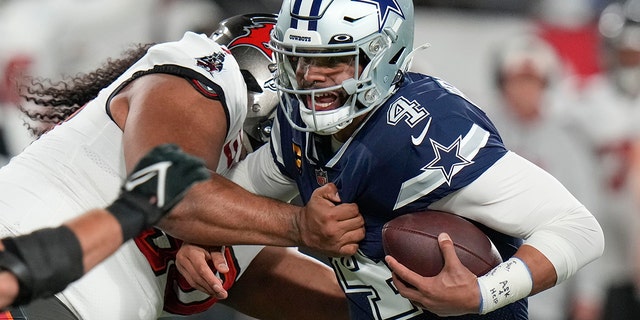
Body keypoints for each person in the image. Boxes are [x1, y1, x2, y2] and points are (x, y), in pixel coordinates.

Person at [177, 0, 605, 318]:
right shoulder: (297, 121)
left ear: (383, 56)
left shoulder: (425, 130)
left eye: (335, 60)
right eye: (300, 58)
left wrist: (482, 294)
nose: (310, 77)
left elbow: (579, 229)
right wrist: (205, 236)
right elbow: (242, 191)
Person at [0, 13, 362, 320]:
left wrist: (404, 304)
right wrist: (300, 224)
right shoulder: (205, 66)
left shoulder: (239, 188)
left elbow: (266, 279)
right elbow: (177, 194)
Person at [487, 34, 601, 320]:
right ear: (503, 83)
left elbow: (586, 217)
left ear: (545, 84)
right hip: (485, 282)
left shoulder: (568, 143)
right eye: (517, 79)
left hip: (546, 292)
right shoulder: (483, 130)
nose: (525, 89)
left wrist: (588, 295)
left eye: (532, 80)